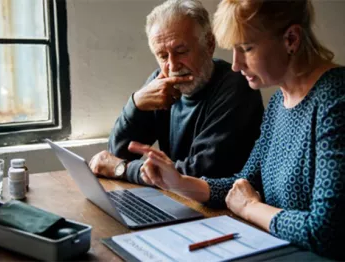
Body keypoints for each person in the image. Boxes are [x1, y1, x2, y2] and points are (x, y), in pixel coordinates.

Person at [128, 0, 345, 259]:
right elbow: (243, 183)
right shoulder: (279, 102)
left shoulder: (337, 100)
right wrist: (178, 182)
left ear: (291, 39)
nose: (235, 64)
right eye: (233, 50)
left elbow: (325, 231)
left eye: (246, 48)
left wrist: (251, 208)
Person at [89, 0, 264, 185]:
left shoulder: (237, 86)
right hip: (178, 200)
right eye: (163, 56)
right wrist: (135, 103)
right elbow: (117, 152)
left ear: (209, 44)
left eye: (181, 51)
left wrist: (123, 169)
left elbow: (200, 173)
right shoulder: (161, 82)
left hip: (223, 207)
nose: (172, 65)